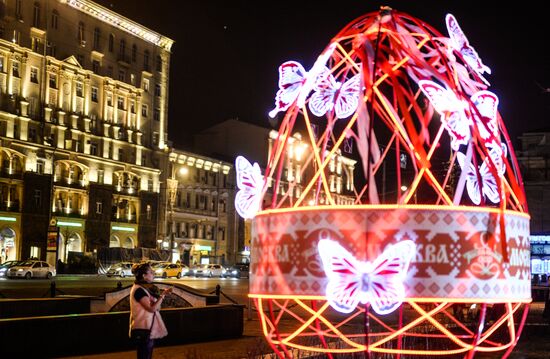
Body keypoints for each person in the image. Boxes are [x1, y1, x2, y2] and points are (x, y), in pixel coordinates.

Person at [129, 263, 172, 359]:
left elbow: (156, 307)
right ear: (144, 276)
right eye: (151, 272)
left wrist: (162, 295)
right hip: (143, 330)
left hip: (147, 329)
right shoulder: (139, 290)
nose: (153, 273)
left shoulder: (145, 289)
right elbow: (152, 309)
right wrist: (162, 296)